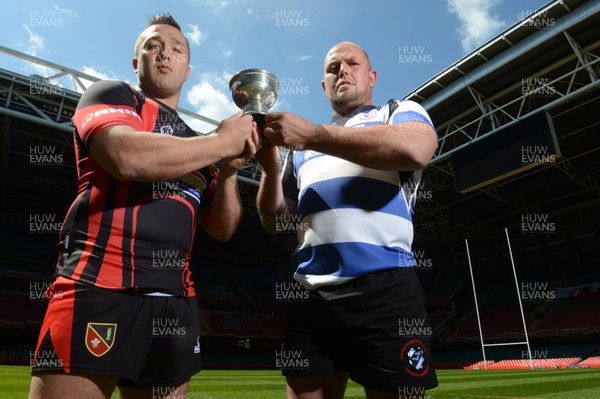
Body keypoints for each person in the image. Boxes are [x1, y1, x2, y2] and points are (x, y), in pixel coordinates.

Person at [28, 13, 259, 399]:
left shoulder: (197, 145)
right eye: (152, 46)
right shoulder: (111, 94)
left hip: (174, 303)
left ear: (187, 69)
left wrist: (231, 170)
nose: (164, 53)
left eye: (176, 49)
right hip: (97, 289)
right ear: (137, 62)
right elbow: (126, 157)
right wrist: (223, 143)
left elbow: (222, 228)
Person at [255, 41, 439, 399]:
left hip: (385, 290)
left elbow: (415, 149)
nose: (342, 70)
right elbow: (274, 221)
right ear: (324, 86)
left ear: (371, 77)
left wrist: (312, 134)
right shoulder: (301, 151)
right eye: (332, 67)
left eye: (352, 63)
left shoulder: (397, 111)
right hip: (311, 295)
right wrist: (269, 167)